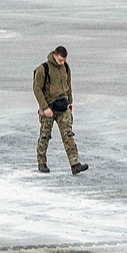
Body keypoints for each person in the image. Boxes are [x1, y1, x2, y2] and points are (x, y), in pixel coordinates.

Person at [33, 46, 87, 175]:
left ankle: (75, 164)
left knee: (68, 134)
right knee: (45, 135)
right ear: (54, 56)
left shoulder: (66, 67)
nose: (62, 62)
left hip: (63, 106)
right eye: (60, 60)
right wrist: (45, 107)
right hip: (49, 107)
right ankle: (41, 162)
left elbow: (68, 85)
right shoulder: (43, 69)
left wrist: (70, 102)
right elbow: (37, 89)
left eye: (64, 60)